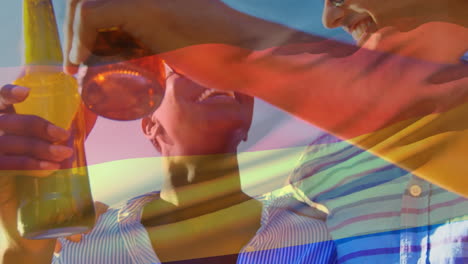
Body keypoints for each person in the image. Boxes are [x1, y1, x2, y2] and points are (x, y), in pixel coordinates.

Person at [61, 0, 468, 263]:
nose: (331, 17)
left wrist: (234, 48)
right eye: (183, 71)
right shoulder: (320, 175)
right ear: (149, 125)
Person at [0, 60, 337, 263]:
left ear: (247, 120)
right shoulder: (83, 247)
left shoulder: (320, 229)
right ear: (150, 124)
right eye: (184, 68)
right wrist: (20, 253)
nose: (217, 75)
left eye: (228, 68)